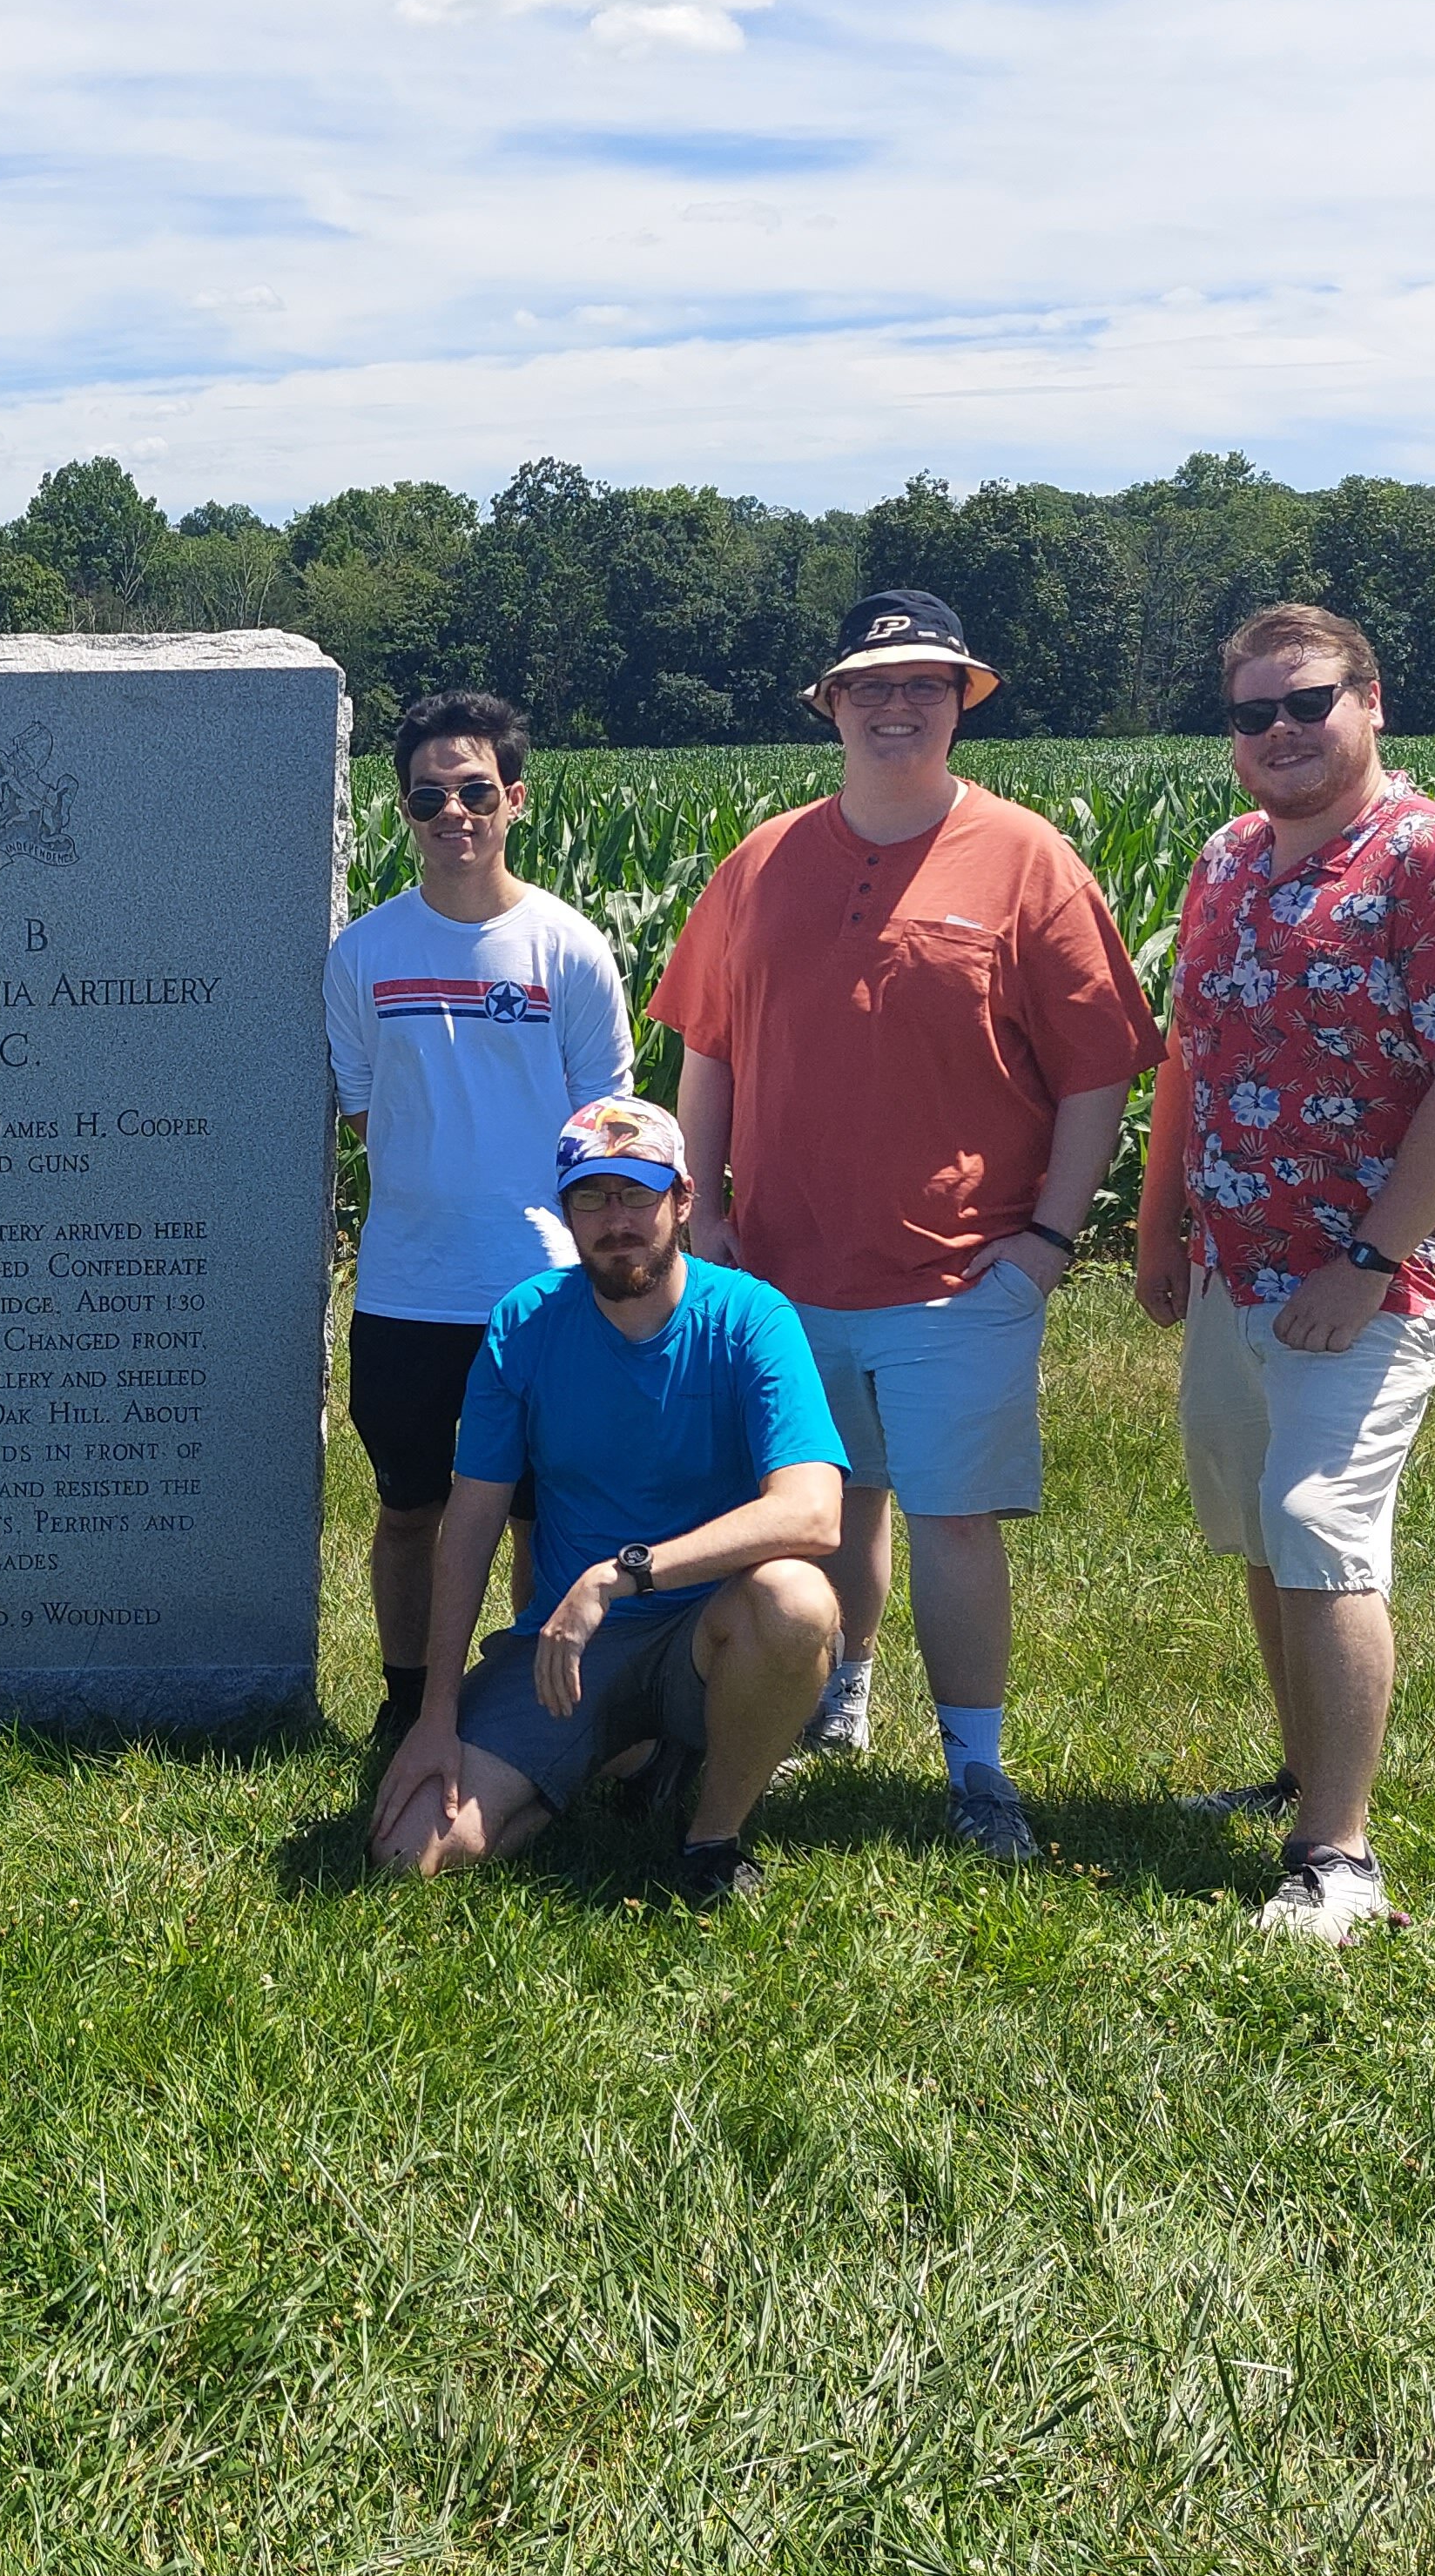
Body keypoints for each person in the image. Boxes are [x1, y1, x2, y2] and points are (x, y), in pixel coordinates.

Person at [645, 589, 1162, 1864]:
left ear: (963, 699)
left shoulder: (1027, 857)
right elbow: (705, 1049)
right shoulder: (760, 863)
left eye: (927, 683)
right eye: (871, 685)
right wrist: (699, 1213)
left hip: (959, 1269)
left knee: (953, 1517)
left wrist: (1048, 1238)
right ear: (830, 703)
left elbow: (1100, 1061)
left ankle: (977, 1768)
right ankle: (842, 1692)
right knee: (830, 1506)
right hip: (776, 1268)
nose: (897, 703)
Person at [1134, 603, 1435, 1946]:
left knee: (1318, 1521)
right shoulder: (1228, 857)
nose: (1282, 734)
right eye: (1254, 714)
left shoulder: (1433, 860)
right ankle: (1303, 1776)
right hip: (1234, 1262)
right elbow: (1191, 1050)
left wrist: (1370, 1259)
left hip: (1367, 1277)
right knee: (1259, 1521)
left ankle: (1341, 1858)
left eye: (1308, 703)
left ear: (1372, 702)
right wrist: (1159, 1225)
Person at [370, 1098, 846, 1903]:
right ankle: (628, 1757)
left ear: (683, 1200)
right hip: (569, 1656)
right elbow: (473, 1522)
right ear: (566, 1212)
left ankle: (712, 1839)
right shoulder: (522, 1325)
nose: (614, 1220)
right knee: (406, 1851)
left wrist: (619, 1575)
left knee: (795, 1599)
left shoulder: (751, 1318)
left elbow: (813, 1512)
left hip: (713, 1635)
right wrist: (436, 1714)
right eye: (590, 1197)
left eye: (636, 1193)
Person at [324, 686, 634, 1739]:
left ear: (514, 799)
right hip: (408, 1286)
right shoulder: (361, 955)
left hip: (544, 1286)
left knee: (539, 1522)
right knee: (408, 1510)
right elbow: (368, 1111)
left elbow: (605, 1125)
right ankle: (407, 1705)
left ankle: (524, 1711)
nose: (452, 812)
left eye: (473, 790)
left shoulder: (569, 947)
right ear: (401, 810)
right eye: (427, 796)